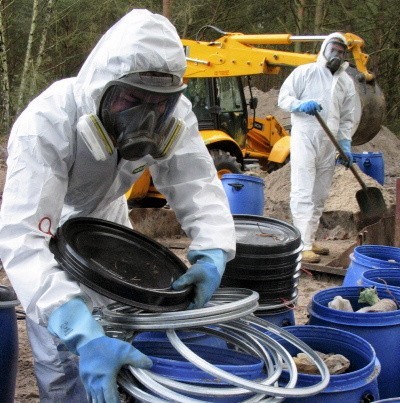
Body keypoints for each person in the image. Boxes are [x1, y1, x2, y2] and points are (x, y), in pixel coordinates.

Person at [0, 9, 236, 402]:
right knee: (63, 357)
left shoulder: (174, 118)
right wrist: (75, 325)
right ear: (102, 87)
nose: (147, 117)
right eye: (131, 99)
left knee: (124, 325)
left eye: (159, 103)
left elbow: (195, 181)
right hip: (51, 229)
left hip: (108, 225)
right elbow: (24, 236)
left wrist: (213, 249)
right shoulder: (48, 122)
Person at [278, 32, 355, 263]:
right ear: (324, 49)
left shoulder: (346, 82)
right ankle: (301, 245)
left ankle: (309, 238)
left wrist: (345, 143)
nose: (337, 55)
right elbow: (284, 98)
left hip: (329, 144)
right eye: (334, 50)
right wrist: (300, 104)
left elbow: (347, 118)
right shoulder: (305, 72)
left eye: (341, 52)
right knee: (303, 190)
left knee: (319, 194)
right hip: (305, 138)